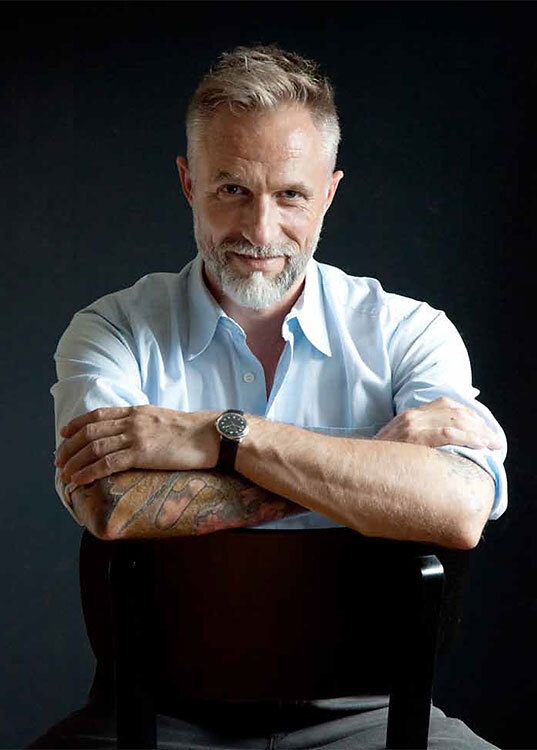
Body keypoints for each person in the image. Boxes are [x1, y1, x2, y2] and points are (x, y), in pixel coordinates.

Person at [34, 44, 506, 749]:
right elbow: (111, 503)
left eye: (290, 195)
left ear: (329, 194)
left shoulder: (411, 332)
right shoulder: (112, 330)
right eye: (231, 189)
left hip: (372, 717)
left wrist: (223, 437)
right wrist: (370, 467)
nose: (260, 231)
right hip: (154, 718)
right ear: (188, 182)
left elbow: (459, 509)